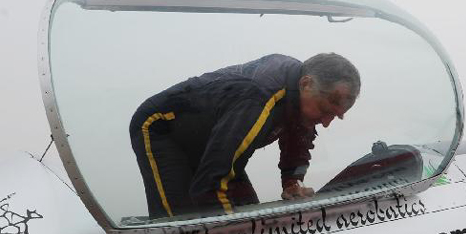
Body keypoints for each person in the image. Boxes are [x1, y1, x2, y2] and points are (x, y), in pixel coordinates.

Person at [129, 53, 360, 219]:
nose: (327, 123)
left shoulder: (298, 96)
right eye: (325, 111)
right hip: (163, 128)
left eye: (336, 117)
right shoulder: (259, 96)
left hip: (215, 139)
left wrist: (292, 182)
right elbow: (211, 182)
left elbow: (298, 137)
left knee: (248, 212)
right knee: (182, 225)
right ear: (306, 84)